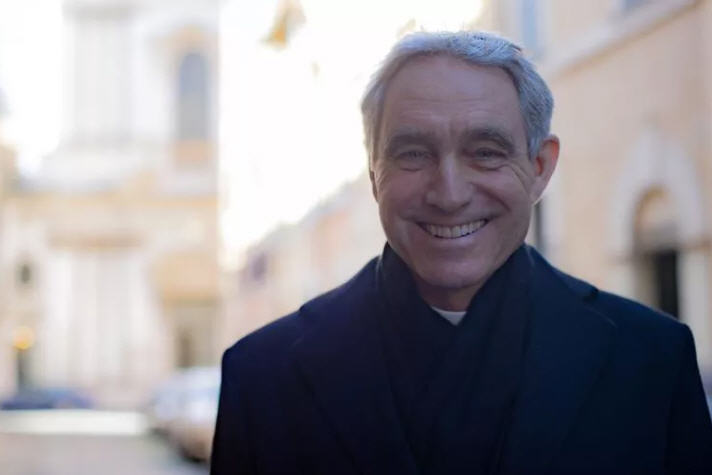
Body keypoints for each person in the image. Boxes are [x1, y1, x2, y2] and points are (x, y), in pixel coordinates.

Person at [211, 31, 712, 475]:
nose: (449, 194)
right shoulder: (262, 378)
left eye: (486, 152)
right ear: (373, 172)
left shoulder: (652, 363)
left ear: (539, 167)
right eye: (413, 154)